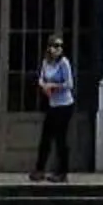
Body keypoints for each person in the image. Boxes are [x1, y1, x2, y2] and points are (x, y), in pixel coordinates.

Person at [31, 34, 77, 183]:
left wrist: (54, 86)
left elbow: (69, 84)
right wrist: (43, 86)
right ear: (49, 48)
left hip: (65, 105)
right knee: (46, 137)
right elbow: (41, 78)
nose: (58, 49)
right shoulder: (46, 63)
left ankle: (62, 172)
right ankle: (39, 169)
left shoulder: (64, 63)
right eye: (55, 46)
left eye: (60, 47)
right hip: (52, 104)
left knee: (60, 138)